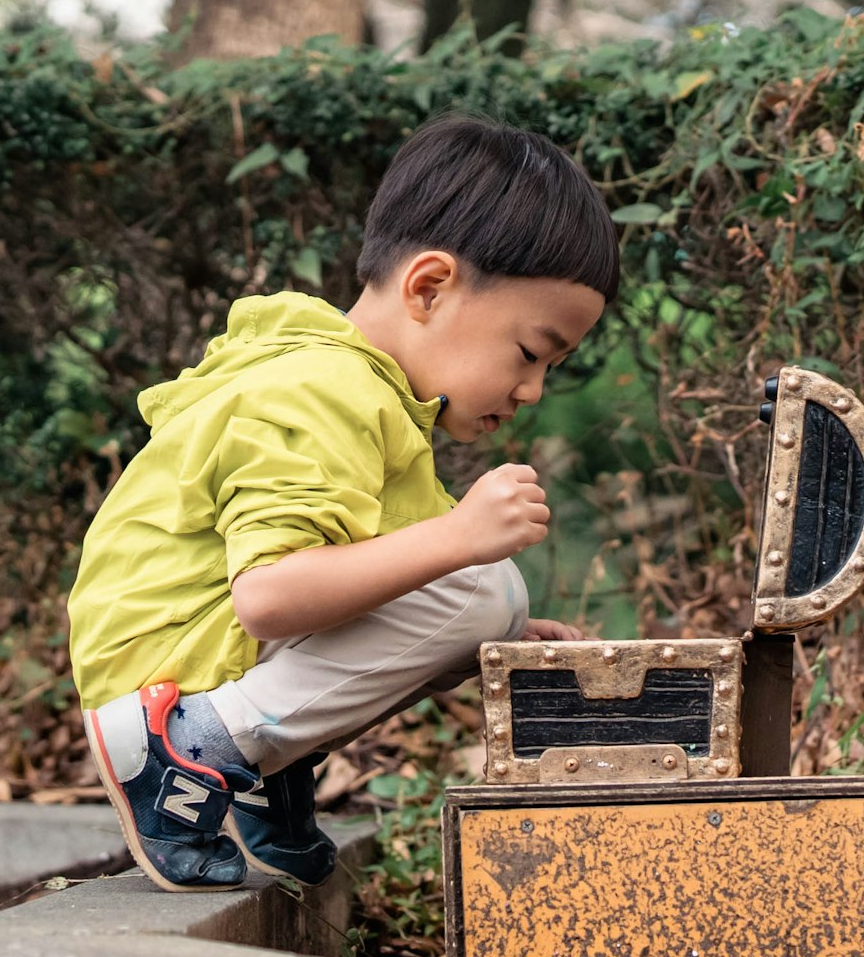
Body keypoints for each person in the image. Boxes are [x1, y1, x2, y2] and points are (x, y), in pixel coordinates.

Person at [70, 115, 616, 891]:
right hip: (163, 656)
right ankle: (188, 748)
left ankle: (258, 769)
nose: (532, 389)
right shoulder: (325, 388)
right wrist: (463, 540)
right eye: (529, 353)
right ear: (429, 287)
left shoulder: (374, 395)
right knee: (481, 584)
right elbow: (269, 595)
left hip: (192, 640)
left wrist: (499, 632)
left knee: (484, 602)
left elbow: (396, 592)